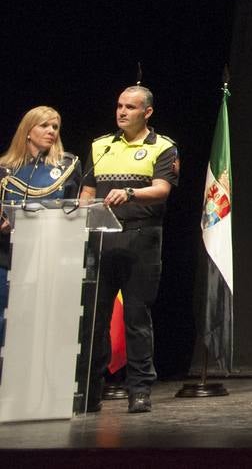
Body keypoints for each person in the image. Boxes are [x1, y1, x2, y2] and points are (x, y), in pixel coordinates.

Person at [81, 86, 179, 414]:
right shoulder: (101, 145)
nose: (122, 112)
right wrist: (81, 216)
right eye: (119, 105)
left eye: (131, 107)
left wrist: (130, 193)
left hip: (141, 240)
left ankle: (139, 390)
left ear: (147, 112)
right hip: (103, 241)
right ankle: (90, 391)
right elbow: (88, 190)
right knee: (95, 320)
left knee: (137, 318)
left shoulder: (162, 146)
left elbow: (163, 190)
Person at [0, 107, 84, 348]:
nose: (51, 132)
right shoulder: (5, 168)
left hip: (48, 258)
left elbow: (74, 209)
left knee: (35, 325)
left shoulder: (68, 166)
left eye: (55, 127)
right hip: (7, 257)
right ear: (28, 131)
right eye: (44, 126)